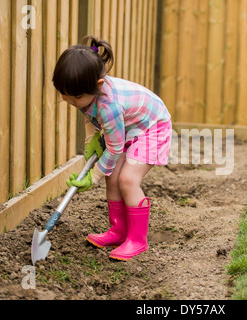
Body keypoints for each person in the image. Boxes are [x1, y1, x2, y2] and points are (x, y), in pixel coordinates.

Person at [52, 35, 172, 261]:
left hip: (152, 128)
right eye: (64, 96)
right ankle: (118, 231)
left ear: (97, 86)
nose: (71, 101)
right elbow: (89, 116)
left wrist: (93, 176)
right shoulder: (84, 95)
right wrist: (91, 144)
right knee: (113, 176)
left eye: (75, 98)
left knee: (127, 179)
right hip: (128, 129)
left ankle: (138, 240)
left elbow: (115, 149)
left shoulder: (109, 106)